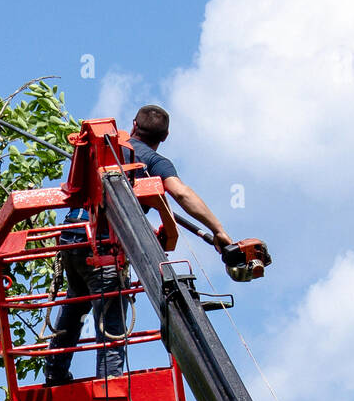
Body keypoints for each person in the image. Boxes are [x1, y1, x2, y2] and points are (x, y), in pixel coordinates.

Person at [44, 105, 232, 384]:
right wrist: (219, 231)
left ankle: (55, 371)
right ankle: (111, 386)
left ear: (133, 125)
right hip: (102, 248)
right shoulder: (155, 162)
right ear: (165, 137)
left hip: (71, 238)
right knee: (111, 320)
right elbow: (180, 193)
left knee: (76, 300)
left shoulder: (104, 148)